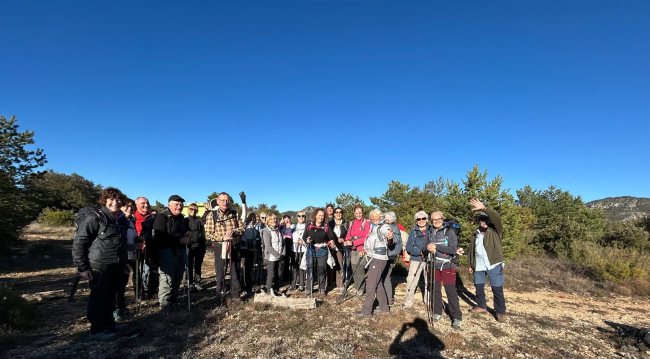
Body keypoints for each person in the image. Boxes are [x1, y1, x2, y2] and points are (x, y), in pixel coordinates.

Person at [72, 187, 130, 341]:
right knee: (98, 297)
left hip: (117, 264)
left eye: (118, 199)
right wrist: (83, 267)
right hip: (99, 264)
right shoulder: (95, 217)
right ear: (105, 200)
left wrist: (124, 262)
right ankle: (97, 329)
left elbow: (121, 243)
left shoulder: (122, 219)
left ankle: (110, 324)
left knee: (111, 295)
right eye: (111, 199)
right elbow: (80, 242)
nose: (115, 202)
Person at [467, 198, 507, 323]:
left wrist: (484, 208)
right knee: (478, 287)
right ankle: (481, 306)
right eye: (481, 219)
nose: (483, 222)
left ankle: (500, 312)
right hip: (478, 265)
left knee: (497, 289)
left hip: (493, 264)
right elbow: (471, 250)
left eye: (486, 219)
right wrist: (470, 264)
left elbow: (497, 218)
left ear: (490, 221)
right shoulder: (476, 233)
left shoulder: (495, 231)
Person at [204, 192, 246, 304]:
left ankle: (236, 294)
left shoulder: (234, 214)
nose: (225, 202)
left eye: (227, 200)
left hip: (234, 246)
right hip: (220, 246)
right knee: (220, 272)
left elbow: (242, 228)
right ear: (218, 201)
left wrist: (234, 232)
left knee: (235, 271)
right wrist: (223, 237)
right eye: (222, 200)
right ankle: (221, 295)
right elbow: (208, 234)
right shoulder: (211, 216)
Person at [152, 195, 191, 312]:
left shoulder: (182, 218)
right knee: (167, 278)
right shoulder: (162, 217)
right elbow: (159, 236)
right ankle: (164, 305)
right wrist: (179, 240)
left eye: (181, 204)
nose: (179, 206)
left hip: (181, 251)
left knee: (178, 277)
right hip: (167, 252)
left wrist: (189, 232)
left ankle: (173, 299)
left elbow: (185, 229)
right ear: (169, 205)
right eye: (176, 204)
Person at [424, 211, 462, 329]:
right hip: (433, 265)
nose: (436, 222)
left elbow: (452, 249)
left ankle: (456, 317)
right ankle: (437, 312)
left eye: (438, 219)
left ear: (442, 219)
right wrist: (428, 248)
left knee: (451, 291)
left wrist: (436, 246)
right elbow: (425, 248)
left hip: (447, 266)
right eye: (434, 220)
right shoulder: (429, 232)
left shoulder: (449, 231)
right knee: (435, 290)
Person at [358, 208, 392, 317]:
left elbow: (388, 237)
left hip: (378, 258)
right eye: (372, 216)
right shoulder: (373, 228)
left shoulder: (384, 226)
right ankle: (384, 308)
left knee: (370, 284)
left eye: (376, 215)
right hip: (373, 257)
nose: (373, 217)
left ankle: (366, 311)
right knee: (378, 283)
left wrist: (390, 237)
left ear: (380, 216)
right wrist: (365, 249)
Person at [114, 198, 137, 321]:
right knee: (118, 284)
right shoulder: (119, 221)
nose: (130, 208)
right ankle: (116, 309)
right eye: (126, 206)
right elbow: (118, 242)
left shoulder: (130, 221)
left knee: (122, 284)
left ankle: (121, 307)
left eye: (132, 206)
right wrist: (133, 246)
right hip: (120, 258)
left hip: (129, 256)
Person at [303, 208, 333, 296]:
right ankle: (309, 288)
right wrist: (307, 240)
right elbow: (305, 236)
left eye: (323, 215)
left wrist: (332, 241)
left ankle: (322, 288)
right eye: (319, 215)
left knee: (321, 269)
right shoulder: (310, 225)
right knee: (310, 269)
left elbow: (331, 236)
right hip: (311, 250)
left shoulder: (326, 226)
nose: (321, 217)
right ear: (315, 216)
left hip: (322, 251)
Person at [403, 211, 430, 309]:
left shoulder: (432, 230)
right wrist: (419, 252)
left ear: (427, 219)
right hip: (416, 259)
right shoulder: (413, 231)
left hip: (429, 260)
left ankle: (428, 301)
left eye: (423, 218)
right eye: (419, 219)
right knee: (411, 281)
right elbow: (409, 247)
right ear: (416, 221)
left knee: (429, 281)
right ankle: (408, 303)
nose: (421, 221)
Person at [344, 205, 371, 295]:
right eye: (357, 213)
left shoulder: (366, 223)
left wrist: (354, 243)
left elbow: (366, 237)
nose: (358, 214)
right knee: (354, 268)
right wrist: (347, 241)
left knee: (360, 269)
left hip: (361, 249)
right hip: (353, 250)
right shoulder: (352, 223)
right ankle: (357, 287)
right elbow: (349, 234)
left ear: (362, 213)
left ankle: (361, 288)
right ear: (354, 213)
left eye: (360, 212)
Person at [134, 197, 156, 299]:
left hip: (151, 247)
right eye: (143, 203)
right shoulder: (133, 217)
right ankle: (139, 293)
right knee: (138, 271)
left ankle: (152, 291)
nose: (146, 205)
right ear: (136, 204)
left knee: (153, 270)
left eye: (147, 203)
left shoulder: (152, 217)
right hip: (137, 248)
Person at [382, 211, 403, 307]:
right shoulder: (395, 226)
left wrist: (389, 241)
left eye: (385, 218)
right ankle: (388, 298)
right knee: (386, 276)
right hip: (390, 255)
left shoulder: (392, 227)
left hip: (388, 255)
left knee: (385, 276)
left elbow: (393, 240)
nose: (384, 220)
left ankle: (388, 298)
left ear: (390, 219)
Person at [262, 214, 285, 295]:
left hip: (279, 256)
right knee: (271, 274)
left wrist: (283, 254)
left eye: (275, 219)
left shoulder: (278, 230)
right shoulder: (266, 231)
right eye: (271, 219)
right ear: (268, 221)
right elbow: (268, 246)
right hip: (271, 257)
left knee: (278, 274)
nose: (274, 221)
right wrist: (278, 256)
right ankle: (268, 290)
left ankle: (276, 288)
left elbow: (283, 243)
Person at [186, 203, 206, 292]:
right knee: (189, 265)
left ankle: (198, 282)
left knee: (198, 265)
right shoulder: (185, 220)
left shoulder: (198, 220)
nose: (193, 211)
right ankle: (189, 283)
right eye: (191, 209)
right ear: (188, 209)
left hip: (199, 246)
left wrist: (207, 211)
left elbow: (204, 219)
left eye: (195, 209)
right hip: (189, 246)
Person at [327, 207, 348, 291]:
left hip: (340, 247)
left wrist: (344, 239)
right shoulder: (330, 223)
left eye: (340, 212)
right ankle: (329, 283)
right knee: (329, 264)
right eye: (337, 212)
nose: (338, 213)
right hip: (331, 246)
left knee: (339, 264)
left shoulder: (345, 223)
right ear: (334, 213)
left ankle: (339, 283)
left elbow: (349, 234)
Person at [240, 213, 260, 293]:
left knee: (250, 268)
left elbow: (256, 237)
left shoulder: (255, 227)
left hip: (252, 250)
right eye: (251, 217)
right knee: (245, 269)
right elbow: (242, 236)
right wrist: (244, 203)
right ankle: (244, 286)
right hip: (245, 250)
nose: (252, 219)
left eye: (254, 217)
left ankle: (248, 285)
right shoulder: (244, 225)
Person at [291, 211, 308, 291]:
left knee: (302, 267)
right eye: (299, 216)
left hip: (304, 249)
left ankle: (301, 284)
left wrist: (303, 242)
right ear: (297, 217)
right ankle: (293, 283)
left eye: (303, 216)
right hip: (294, 249)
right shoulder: (293, 227)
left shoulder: (307, 227)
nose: (301, 217)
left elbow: (310, 238)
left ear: (305, 217)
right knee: (294, 267)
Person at [279, 215, 295, 283]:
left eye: (287, 219)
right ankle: (285, 276)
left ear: (290, 219)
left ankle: (293, 277)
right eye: (285, 220)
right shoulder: (283, 227)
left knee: (293, 262)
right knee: (285, 262)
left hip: (292, 246)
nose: (287, 221)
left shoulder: (293, 226)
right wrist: (281, 223)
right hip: (284, 246)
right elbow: (278, 229)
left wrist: (287, 236)